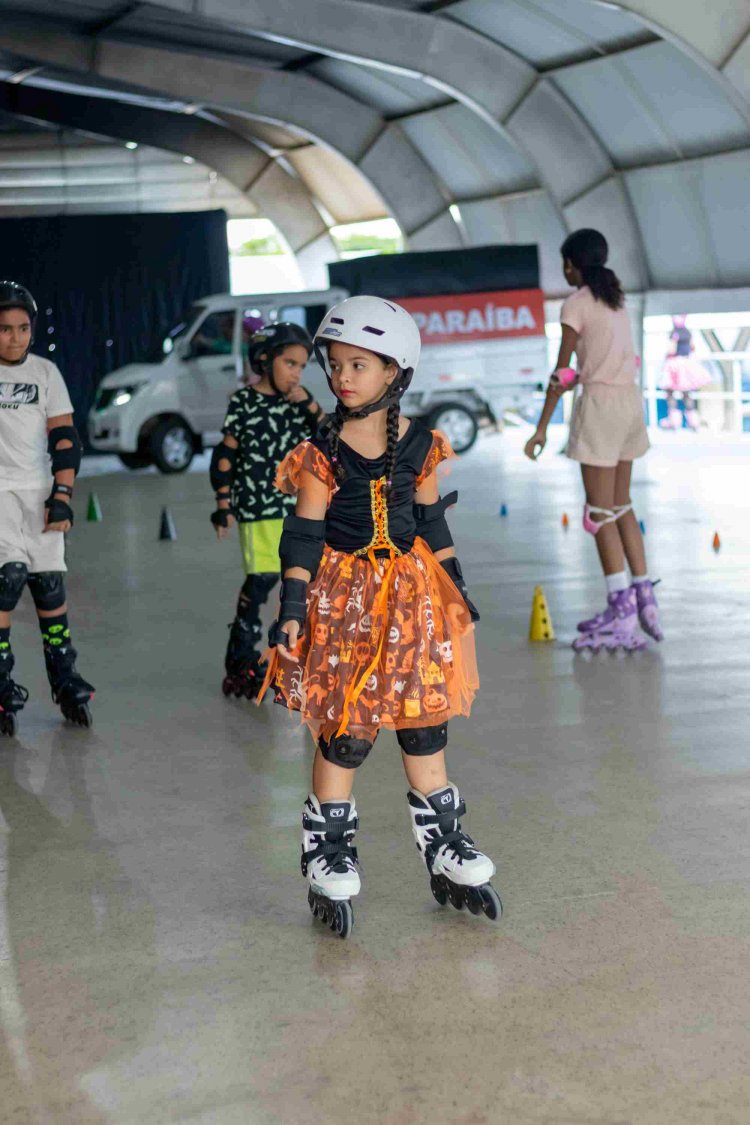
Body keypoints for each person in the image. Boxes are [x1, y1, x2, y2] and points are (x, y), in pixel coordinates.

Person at [258, 296, 501, 938]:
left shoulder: (421, 445)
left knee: (425, 724)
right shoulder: (321, 452)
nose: (341, 376)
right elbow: (303, 535)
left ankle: (445, 844)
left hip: (412, 599)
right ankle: (326, 850)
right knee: (348, 729)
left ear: (395, 371)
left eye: (359, 365)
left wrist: (455, 588)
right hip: (345, 606)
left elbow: (431, 522)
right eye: (335, 364)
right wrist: (290, 608)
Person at [524, 230, 663, 653]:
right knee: (621, 506)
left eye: (566, 263)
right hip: (629, 405)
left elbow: (562, 373)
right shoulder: (616, 298)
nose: (564, 270)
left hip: (601, 407)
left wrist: (541, 428)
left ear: (574, 264)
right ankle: (644, 598)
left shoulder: (577, 304)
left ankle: (621, 615)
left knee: (597, 513)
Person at [210, 322, 324, 699]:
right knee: (261, 582)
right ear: (264, 361)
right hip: (257, 508)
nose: (296, 373)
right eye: (290, 363)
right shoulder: (243, 402)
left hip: (298, 509)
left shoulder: (299, 404)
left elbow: (331, 437)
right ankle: (240, 665)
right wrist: (222, 504)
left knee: (303, 583)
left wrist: (308, 403)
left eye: (302, 366)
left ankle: (304, 660)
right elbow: (225, 457)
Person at [0, 281, 94, 735]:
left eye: (22, 328)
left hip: (39, 493)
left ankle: (64, 674)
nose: (14, 338)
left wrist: (62, 496)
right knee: (7, 579)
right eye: (4, 329)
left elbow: (65, 440)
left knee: (49, 587)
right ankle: (1, 678)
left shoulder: (45, 373)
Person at [660, 315, 709, 432]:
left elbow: (671, 350)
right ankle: (693, 421)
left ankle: (674, 420)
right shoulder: (688, 332)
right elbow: (693, 347)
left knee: (670, 392)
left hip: (675, 365)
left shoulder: (674, 333)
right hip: (687, 362)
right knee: (686, 394)